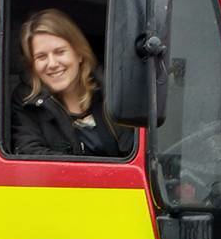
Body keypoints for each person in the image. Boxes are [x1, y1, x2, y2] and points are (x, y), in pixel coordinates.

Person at [11, 8, 133, 157]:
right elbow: (29, 153)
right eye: (41, 56)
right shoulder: (27, 101)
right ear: (33, 66)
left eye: (60, 52)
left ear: (79, 54)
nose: (52, 63)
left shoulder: (112, 89)